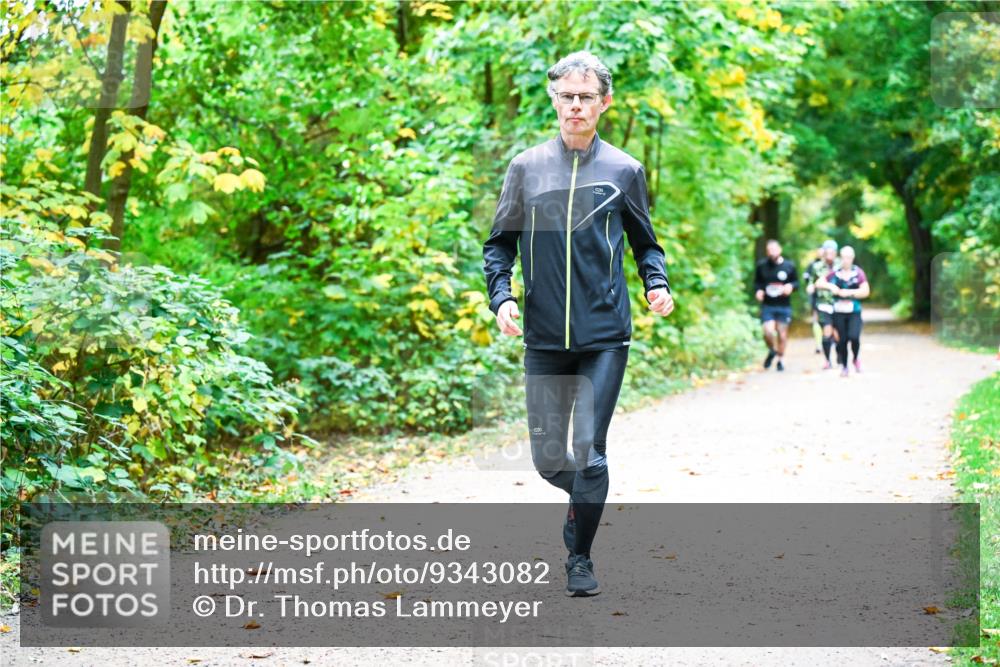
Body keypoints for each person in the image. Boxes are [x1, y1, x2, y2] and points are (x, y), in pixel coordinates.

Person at [482, 51, 674, 597]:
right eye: (566, 96)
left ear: (604, 103)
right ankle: (586, 495)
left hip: (604, 336)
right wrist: (501, 297)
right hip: (544, 337)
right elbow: (499, 246)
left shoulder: (624, 170)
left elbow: (646, 244)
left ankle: (579, 557)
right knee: (548, 460)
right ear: (554, 100)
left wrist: (656, 283)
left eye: (586, 97)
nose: (575, 106)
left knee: (590, 451)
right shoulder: (526, 168)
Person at [815, 245, 870, 377]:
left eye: (848, 257)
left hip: (854, 311)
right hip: (838, 312)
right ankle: (844, 366)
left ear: (852, 258)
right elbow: (818, 283)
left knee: (854, 337)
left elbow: (866, 291)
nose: (846, 260)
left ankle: (855, 358)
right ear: (840, 258)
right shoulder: (835, 272)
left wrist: (849, 292)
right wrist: (831, 286)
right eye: (844, 257)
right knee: (842, 340)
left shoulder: (858, 273)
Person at [753, 239, 798, 372]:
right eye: (769, 250)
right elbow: (757, 283)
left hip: (784, 306)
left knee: (782, 335)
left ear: (780, 250)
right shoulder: (762, 266)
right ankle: (772, 350)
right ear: (767, 252)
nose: (772, 253)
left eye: (774, 249)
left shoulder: (789, 266)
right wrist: (758, 291)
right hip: (768, 305)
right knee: (768, 331)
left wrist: (790, 287)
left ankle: (780, 359)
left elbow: (796, 283)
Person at [804, 239, 840, 369]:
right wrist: (811, 287)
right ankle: (827, 360)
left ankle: (840, 355)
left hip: (839, 303)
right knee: (827, 331)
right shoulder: (817, 266)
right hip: (823, 303)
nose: (830, 255)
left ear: (836, 253)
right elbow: (811, 282)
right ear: (824, 252)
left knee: (838, 333)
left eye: (832, 252)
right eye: (827, 252)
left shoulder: (841, 265)